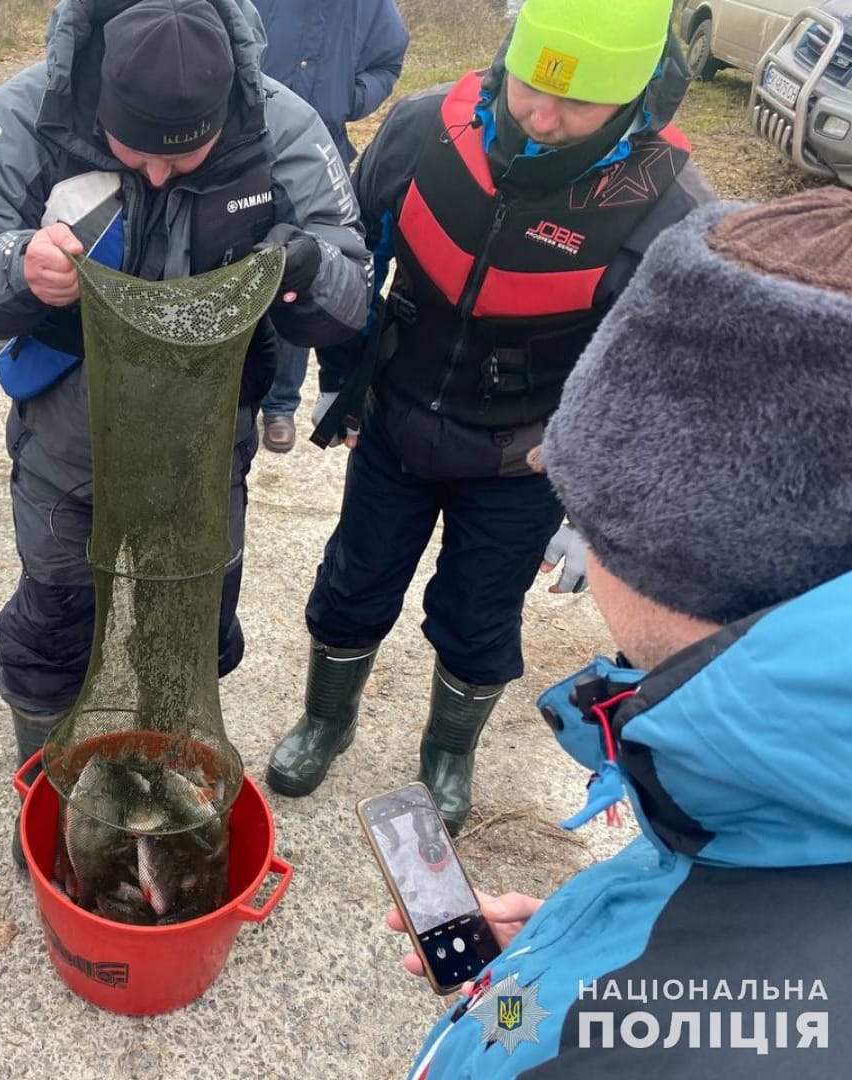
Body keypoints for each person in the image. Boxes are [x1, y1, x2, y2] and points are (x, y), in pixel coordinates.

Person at [389, 186, 852, 1077]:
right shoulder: (782, 815)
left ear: (660, 546)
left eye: (577, 504)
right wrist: (551, 963)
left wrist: (575, 1007)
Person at [0, 0, 370, 823]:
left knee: (190, 634)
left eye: (184, 155)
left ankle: (159, 786)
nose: (158, 176)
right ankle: (51, 796)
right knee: (54, 623)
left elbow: (351, 286)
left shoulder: (285, 125)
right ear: (100, 106)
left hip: (207, 454)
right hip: (69, 440)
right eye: (136, 154)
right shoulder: (29, 111)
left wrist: (309, 271)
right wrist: (18, 266)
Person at [265, 0, 715, 835]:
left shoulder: (669, 206)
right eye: (530, 86)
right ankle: (327, 719)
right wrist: (338, 377)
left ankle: (448, 750)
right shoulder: (424, 130)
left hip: (524, 458)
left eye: (576, 103)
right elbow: (349, 259)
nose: (541, 118)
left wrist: (595, 509)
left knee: (478, 618)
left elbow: (662, 384)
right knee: (353, 582)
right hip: (397, 419)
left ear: (635, 94)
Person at [251, 0, 409, 451]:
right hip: (247, 139)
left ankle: (281, 403)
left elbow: (388, 61)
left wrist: (349, 97)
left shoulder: (370, 6)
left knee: (302, 272)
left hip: (321, 149)